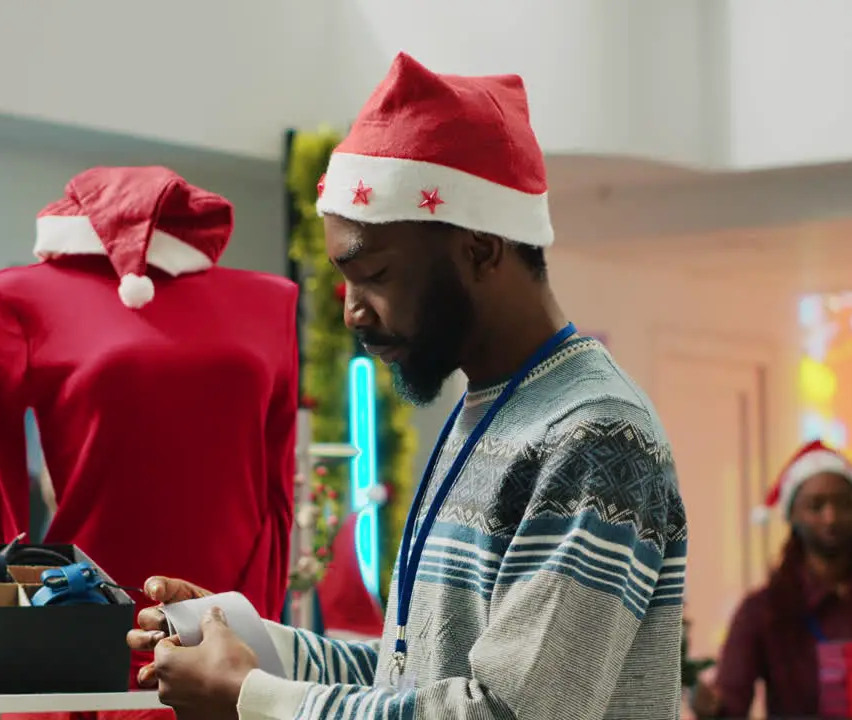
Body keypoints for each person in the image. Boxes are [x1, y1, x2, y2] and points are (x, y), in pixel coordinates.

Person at [126, 52, 688, 720]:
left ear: (479, 250)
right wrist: (245, 642)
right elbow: (417, 672)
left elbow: (507, 713)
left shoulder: (594, 434)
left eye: (376, 275)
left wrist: (251, 698)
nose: (351, 310)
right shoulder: (489, 408)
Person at [693, 440, 852, 718]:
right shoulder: (763, 609)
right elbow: (731, 705)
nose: (831, 517)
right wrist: (710, 708)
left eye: (844, 503)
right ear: (792, 515)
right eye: (816, 506)